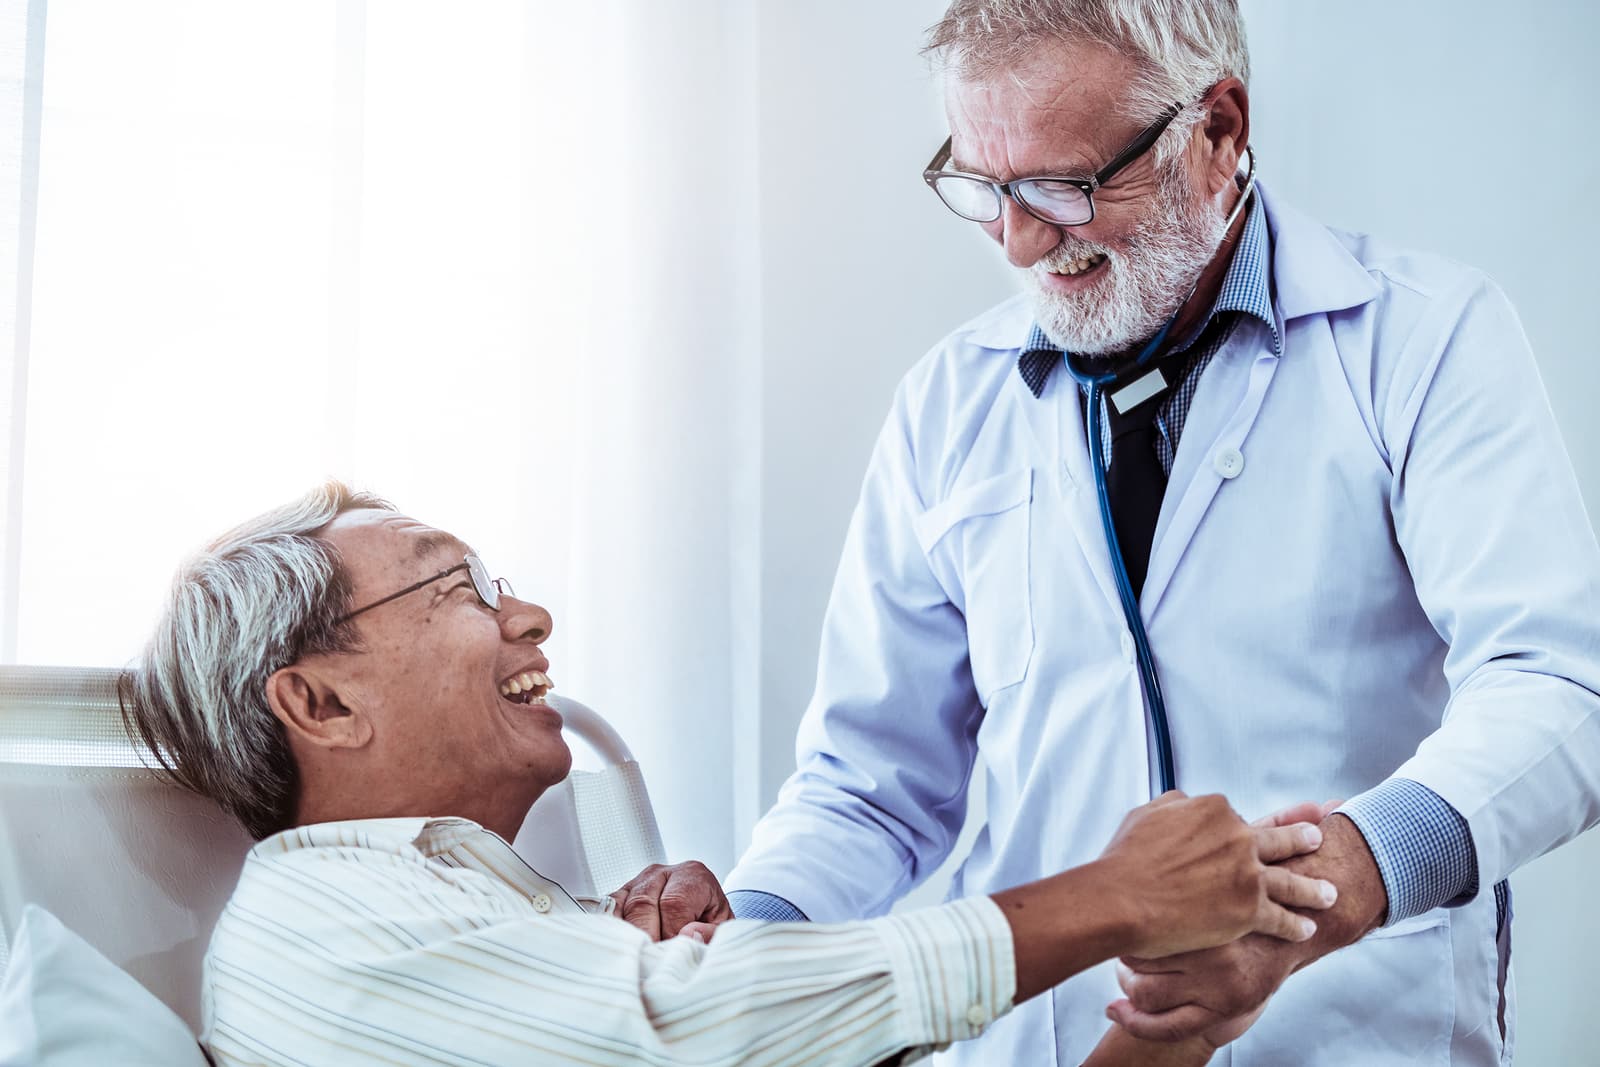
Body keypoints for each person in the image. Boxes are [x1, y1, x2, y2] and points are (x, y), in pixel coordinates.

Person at [724, 1, 1600, 1064]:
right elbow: (869, 782)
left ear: (1217, 131)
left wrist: (1319, 898)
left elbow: (1558, 683)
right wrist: (736, 948)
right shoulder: (946, 405)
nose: (1017, 237)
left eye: (1065, 185)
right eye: (985, 186)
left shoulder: (1423, 339)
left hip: (1345, 1034)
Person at [119, 482, 1336, 1067]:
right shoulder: (315, 933)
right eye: (462, 588)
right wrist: (1114, 897)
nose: (530, 614)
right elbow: (687, 1032)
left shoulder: (528, 925)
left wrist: (1178, 1023)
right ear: (321, 702)